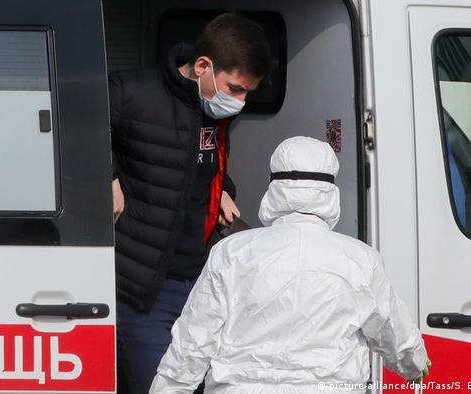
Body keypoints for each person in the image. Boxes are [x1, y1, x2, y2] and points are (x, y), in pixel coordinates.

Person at [150, 137, 431, 393]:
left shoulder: (231, 252)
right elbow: (392, 330)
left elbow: (192, 342)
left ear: (274, 187)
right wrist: (414, 365)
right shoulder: (360, 259)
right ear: (330, 191)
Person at [109, 13, 272, 394]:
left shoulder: (213, 110)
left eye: (247, 93)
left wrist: (223, 187)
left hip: (200, 286)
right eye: (235, 88)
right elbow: (73, 129)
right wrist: (109, 175)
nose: (240, 101)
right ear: (202, 66)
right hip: (143, 290)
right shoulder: (131, 92)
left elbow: (201, 164)